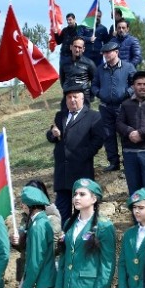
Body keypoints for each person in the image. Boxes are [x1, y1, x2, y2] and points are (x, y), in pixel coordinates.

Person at [8, 179, 64, 288]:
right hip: (39, 283)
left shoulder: (39, 225)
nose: (22, 206)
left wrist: (26, 285)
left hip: (41, 284)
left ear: (29, 205)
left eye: (23, 203)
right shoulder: (37, 223)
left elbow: (35, 261)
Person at [47, 83, 105, 224]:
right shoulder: (60, 116)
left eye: (75, 97)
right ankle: (64, 242)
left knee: (82, 213)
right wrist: (53, 134)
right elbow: (50, 136)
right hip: (63, 174)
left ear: (82, 98)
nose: (72, 100)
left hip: (81, 171)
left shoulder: (93, 116)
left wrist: (84, 155)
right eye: (69, 97)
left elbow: (98, 140)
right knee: (62, 214)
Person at [94, 40, 136, 172]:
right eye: (104, 53)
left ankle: (128, 163)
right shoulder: (100, 69)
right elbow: (94, 85)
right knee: (108, 135)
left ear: (116, 52)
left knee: (125, 134)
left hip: (123, 107)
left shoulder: (129, 67)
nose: (105, 54)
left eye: (108, 52)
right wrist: (99, 93)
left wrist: (126, 93)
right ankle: (113, 163)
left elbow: (135, 84)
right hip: (105, 108)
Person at [60, 37, 96, 103]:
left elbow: (95, 81)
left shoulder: (90, 63)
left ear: (83, 49)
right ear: (71, 47)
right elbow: (62, 81)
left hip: (84, 98)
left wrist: (90, 96)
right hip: (68, 98)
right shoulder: (64, 63)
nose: (77, 49)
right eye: (75, 46)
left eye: (80, 47)